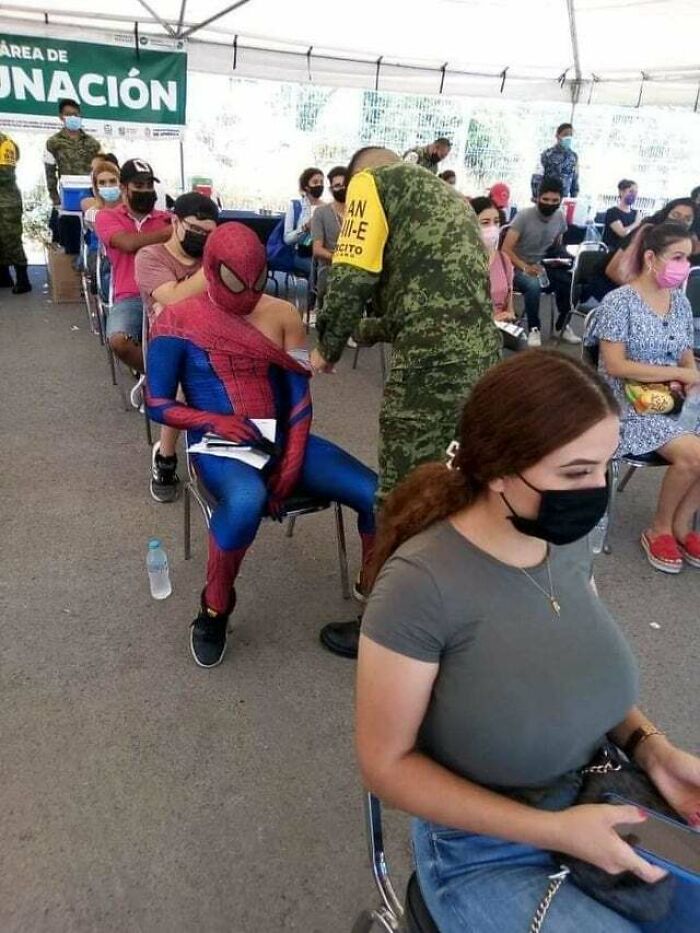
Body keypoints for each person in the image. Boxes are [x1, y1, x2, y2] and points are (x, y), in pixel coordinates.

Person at [356, 350, 700, 933]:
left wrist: (650, 748)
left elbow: (576, 666)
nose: (597, 492)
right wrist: (555, 832)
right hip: (484, 853)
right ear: (497, 471)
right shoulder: (421, 586)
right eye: (575, 474)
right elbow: (385, 766)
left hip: (600, 795)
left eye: (605, 467)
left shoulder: (560, 541)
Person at [145, 223, 378, 668]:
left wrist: (290, 464)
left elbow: (297, 396)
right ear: (211, 271)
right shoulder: (177, 319)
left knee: (377, 493)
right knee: (248, 497)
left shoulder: (282, 313)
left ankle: (376, 601)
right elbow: (157, 403)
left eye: (256, 282)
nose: (248, 294)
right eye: (237, 283)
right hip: (218, 443)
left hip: (281, 436)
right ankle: (214, 608)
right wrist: (215, 420)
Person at [310, 146, 501, 657]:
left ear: (357, 180)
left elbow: (350, 277)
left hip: (431, 369)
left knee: (398, 493)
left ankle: (383, 624)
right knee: (459, 478)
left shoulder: (374, 186)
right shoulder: (452, 201)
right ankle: (460, 606)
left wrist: (326, 345)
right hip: (481, 361)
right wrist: (363, 332)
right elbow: (425, 302)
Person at [588, 222, 700, 574]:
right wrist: (680, 375)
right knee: (694, 456)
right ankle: (659, 529)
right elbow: (616, 366)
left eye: (688, 258)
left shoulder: (679, 302)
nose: (684, 266)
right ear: (651, 257)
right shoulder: (619, 302)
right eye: (677, 257)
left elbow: (684, 355)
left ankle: (683, 524)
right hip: (627, 405)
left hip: (671, 399)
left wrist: (689, 378)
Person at [135, 192, 219, 503]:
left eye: (209, 235)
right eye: (195, 230)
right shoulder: (150, 256)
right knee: (185, 385)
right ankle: (166, 458)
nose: (202, 239)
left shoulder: (207, 256)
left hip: (213, 336)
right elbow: (172, 299)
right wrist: (211, 267)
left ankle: (226, 458)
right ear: (174, 221)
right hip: (168, 345)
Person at [94, 159, 171, 372]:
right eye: (139, 186)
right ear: (123, 188)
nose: (145, 190)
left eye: (149, 185)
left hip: (167, 292)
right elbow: (127, 243)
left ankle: (169, 379)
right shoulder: (107, 217)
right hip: (130, 296)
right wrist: (168, 235)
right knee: (119, 341)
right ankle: (159, 378)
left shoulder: (167, 218)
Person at [501, 176, 579, 347]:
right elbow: (505, 249)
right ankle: (534, 328)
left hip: (543, 265)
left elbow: (558, 245)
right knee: (533, 284)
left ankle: (563, 325)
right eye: (545, 199)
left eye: (554, 200)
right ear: (537, 197)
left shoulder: (559, 217)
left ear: (560, 200)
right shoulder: (524, 216)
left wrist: (559, 261)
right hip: (517, 266)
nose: (550, 203)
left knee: (569, 281)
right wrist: (525, 267)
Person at [592, 198, 697, 300]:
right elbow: (612, 271)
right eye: (675, 215)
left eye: (687, 219)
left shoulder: (685, 244)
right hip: (612, 289)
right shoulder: (644, 233)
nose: (680, 221)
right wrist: (647, 295)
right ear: (666, 214)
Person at [44, 98, 101, 255]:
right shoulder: (53, 143)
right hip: (67, 199)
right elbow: (49, 172)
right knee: (71, 245)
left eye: (76, 114)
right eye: (68, 114)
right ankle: (70, 274)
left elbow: (101, 170)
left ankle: (91, 273)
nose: (73, 118)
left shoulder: (92, 143)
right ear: (61, 117)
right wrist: (55, 199)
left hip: (91, 198)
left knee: (93, 243)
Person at [80, 159, 122, 300]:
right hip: (106, 258)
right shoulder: (93, 213)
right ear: (96, 188)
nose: (108, 186)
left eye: (112, 181)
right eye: (102, 183)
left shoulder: (132, 210)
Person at [310, 165, 347, 308]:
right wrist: (341, 259)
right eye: (337, 185)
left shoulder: (359, 212)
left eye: (345, 185)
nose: (342, 188)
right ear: (331, 189)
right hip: (330, 267)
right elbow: (317, 250)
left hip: (356, 268)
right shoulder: (321, 212)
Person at [0, 130, 31, 294]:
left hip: (6, 202)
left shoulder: (5, 143)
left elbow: (5, 175)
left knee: (11, 239)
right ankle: (4, 277)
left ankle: (23, 279)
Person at [283, 167, 325, 278]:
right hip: (301, 255)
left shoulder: (327, 208)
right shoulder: (295, 206)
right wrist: (305, 227)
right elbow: (287, 239)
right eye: (315, 182)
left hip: (322, 253)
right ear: (306, 186)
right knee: (317, 270)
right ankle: (313, 295)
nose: (319, 186)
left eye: (321, 182)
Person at [539, 122, 579, 199]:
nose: (568, 137)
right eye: (565, 134)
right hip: (548, 199)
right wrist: (538, 197)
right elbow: (538, 177)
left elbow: (575, 180)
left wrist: (574, 199)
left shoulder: (573, 157)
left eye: (571, 135)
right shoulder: (547, 155)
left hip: (564, 199)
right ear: (557, 136)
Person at [603, 179, 643, 251]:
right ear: (621, 192)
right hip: (613, 251)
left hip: (630, 251)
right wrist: (636, 223)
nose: (633, 195)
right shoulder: (612, 212)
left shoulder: (636, 213)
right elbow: (622, 233)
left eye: (635, 193)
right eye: (631, 191)